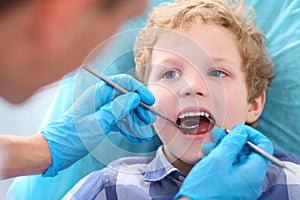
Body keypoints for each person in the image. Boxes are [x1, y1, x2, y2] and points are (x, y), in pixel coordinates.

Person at [63, 0, 300, 199]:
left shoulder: (292, 182)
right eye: (170, 74)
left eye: (217, 72)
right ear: (145, 100)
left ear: (253, 105)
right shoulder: (109, 189)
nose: (192, 86)